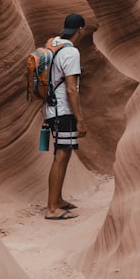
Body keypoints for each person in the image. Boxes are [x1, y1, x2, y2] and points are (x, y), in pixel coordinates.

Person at [44, 13, 88, 220]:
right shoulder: (71, 52)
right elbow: (71, 89)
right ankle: (52, 208)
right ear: (80, 30)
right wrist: (80, 119)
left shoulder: (53, 44)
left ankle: (58, 199)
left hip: (52, 110)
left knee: (64, 153)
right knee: (61, 155)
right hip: (63, 111)